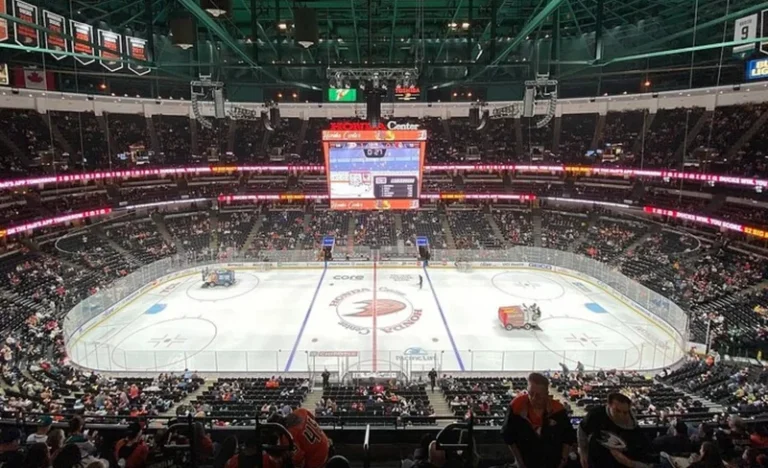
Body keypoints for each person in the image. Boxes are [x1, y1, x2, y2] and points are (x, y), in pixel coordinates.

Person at [501, 372, 575, 468]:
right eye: (531, 393)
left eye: (539, 395)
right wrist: (519, 461)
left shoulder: (558, 409)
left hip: (552, 462)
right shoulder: (516, 406)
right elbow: (508, 436)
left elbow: (568, 436)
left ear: (547, 394)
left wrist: (563, 459)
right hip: (526, 461)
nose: (534, 398)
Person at [577, 392, 651, 468]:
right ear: (609, 405)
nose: (621, 415)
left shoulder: (634, 429)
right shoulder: (596, 414)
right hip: (596, 459)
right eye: (617, 411)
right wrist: (583, 452)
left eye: (625, 412)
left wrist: (629, 462)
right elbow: (582, 429)